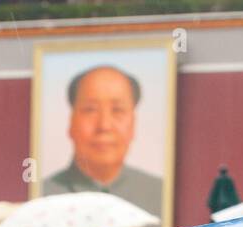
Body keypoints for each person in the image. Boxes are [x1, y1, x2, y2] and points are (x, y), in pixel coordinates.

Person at [41, 64, 163, 217]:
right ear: (71, 122)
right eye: (90, 110)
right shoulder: (44, 197)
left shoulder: (158, 192)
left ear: (133, 123)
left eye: (117, 110)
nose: (104, 125)